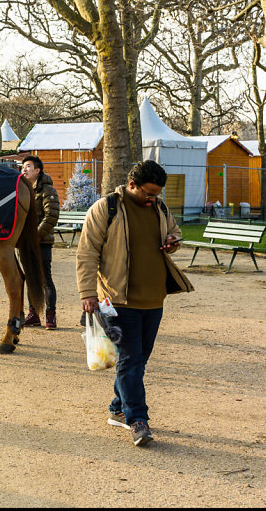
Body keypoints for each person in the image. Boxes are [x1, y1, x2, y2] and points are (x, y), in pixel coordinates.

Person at [76, 160, 194, 447]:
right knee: (130, 359)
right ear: (132, 185)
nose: (153, 199)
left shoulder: (160, 208)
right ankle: (138, 419)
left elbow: (175, 232)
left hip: (154, 298)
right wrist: (87, 293)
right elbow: (87, 252)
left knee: (139, 360)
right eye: (148, 193)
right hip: (115, 299)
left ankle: (118, 407)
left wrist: (172, 240)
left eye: (157, 194)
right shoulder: (106, 209)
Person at [20, 156, 60, 329]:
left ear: (38, 170)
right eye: (23, 166)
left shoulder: (47, 190)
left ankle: (51, 316)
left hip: (41, 242)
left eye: (28, 166)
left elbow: (52, 216)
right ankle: (33, 314)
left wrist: (35, 237)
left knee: (45, 279)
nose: (24, 169)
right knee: (30, 278)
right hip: (25, 243)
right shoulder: (22, 189)